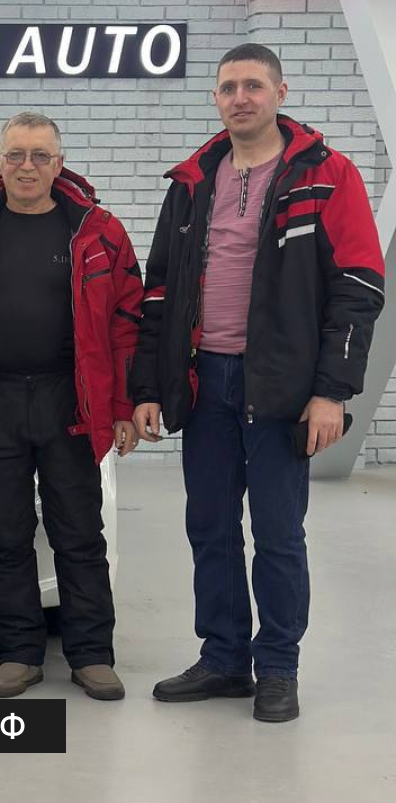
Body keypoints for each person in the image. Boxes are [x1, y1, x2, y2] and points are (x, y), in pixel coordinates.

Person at [131, 43, 385, 722]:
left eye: (252, 85)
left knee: (277, 534)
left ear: (280, 92)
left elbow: (359, 287)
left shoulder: (327, 175)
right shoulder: (192, 181)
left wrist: (332, 391)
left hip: (282, 387)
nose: (239, 98)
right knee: (210, 528)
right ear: (216, 98)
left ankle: (277, 668)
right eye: (227, 87)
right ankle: (222, 659)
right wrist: (148, 387)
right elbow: (159, 292)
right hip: (204, 382)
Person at [0, 112, 143, 700]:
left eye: (40, 155)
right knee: (5, 536)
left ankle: (91, 654)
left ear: (59, 164)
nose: (27, 166)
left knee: (79, 533)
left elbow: (126, 326)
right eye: (16, 155)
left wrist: (123, 405)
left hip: (72, 401)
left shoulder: (99, 232)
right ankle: (18, 654)